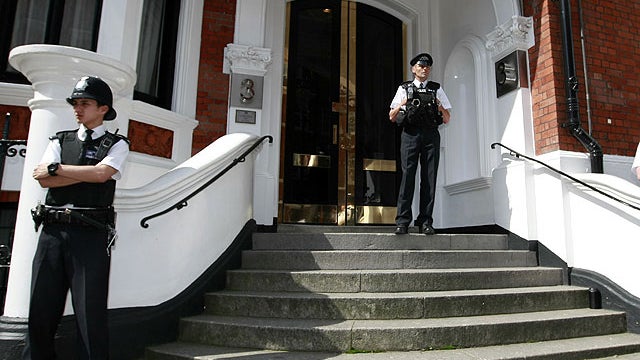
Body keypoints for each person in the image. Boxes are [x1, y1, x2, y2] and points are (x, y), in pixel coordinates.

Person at [25, 76, 129, 359]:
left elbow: (101, 175)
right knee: (40, 312)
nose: (77, 109)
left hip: (90, 235)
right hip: (52, 234)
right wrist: (74, 174)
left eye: (85, 103)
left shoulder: (117, 144)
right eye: (75, 103)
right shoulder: (60, 139)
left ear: (103, 108)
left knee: (89, 314)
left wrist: (57, 169)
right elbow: (42, 179)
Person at [389, 53, 452, 235]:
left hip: (431, 135)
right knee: (408, 176)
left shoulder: (436, 89)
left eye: (427, 66)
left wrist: (439, 105)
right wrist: (404, 102)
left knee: (429, 179)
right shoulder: (404, 88)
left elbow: (447, 118)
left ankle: (425, 221)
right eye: (421, 65)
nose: (424, 69)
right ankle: (402, 221)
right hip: (410, 134)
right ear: (413, 69)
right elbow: (391, 116)